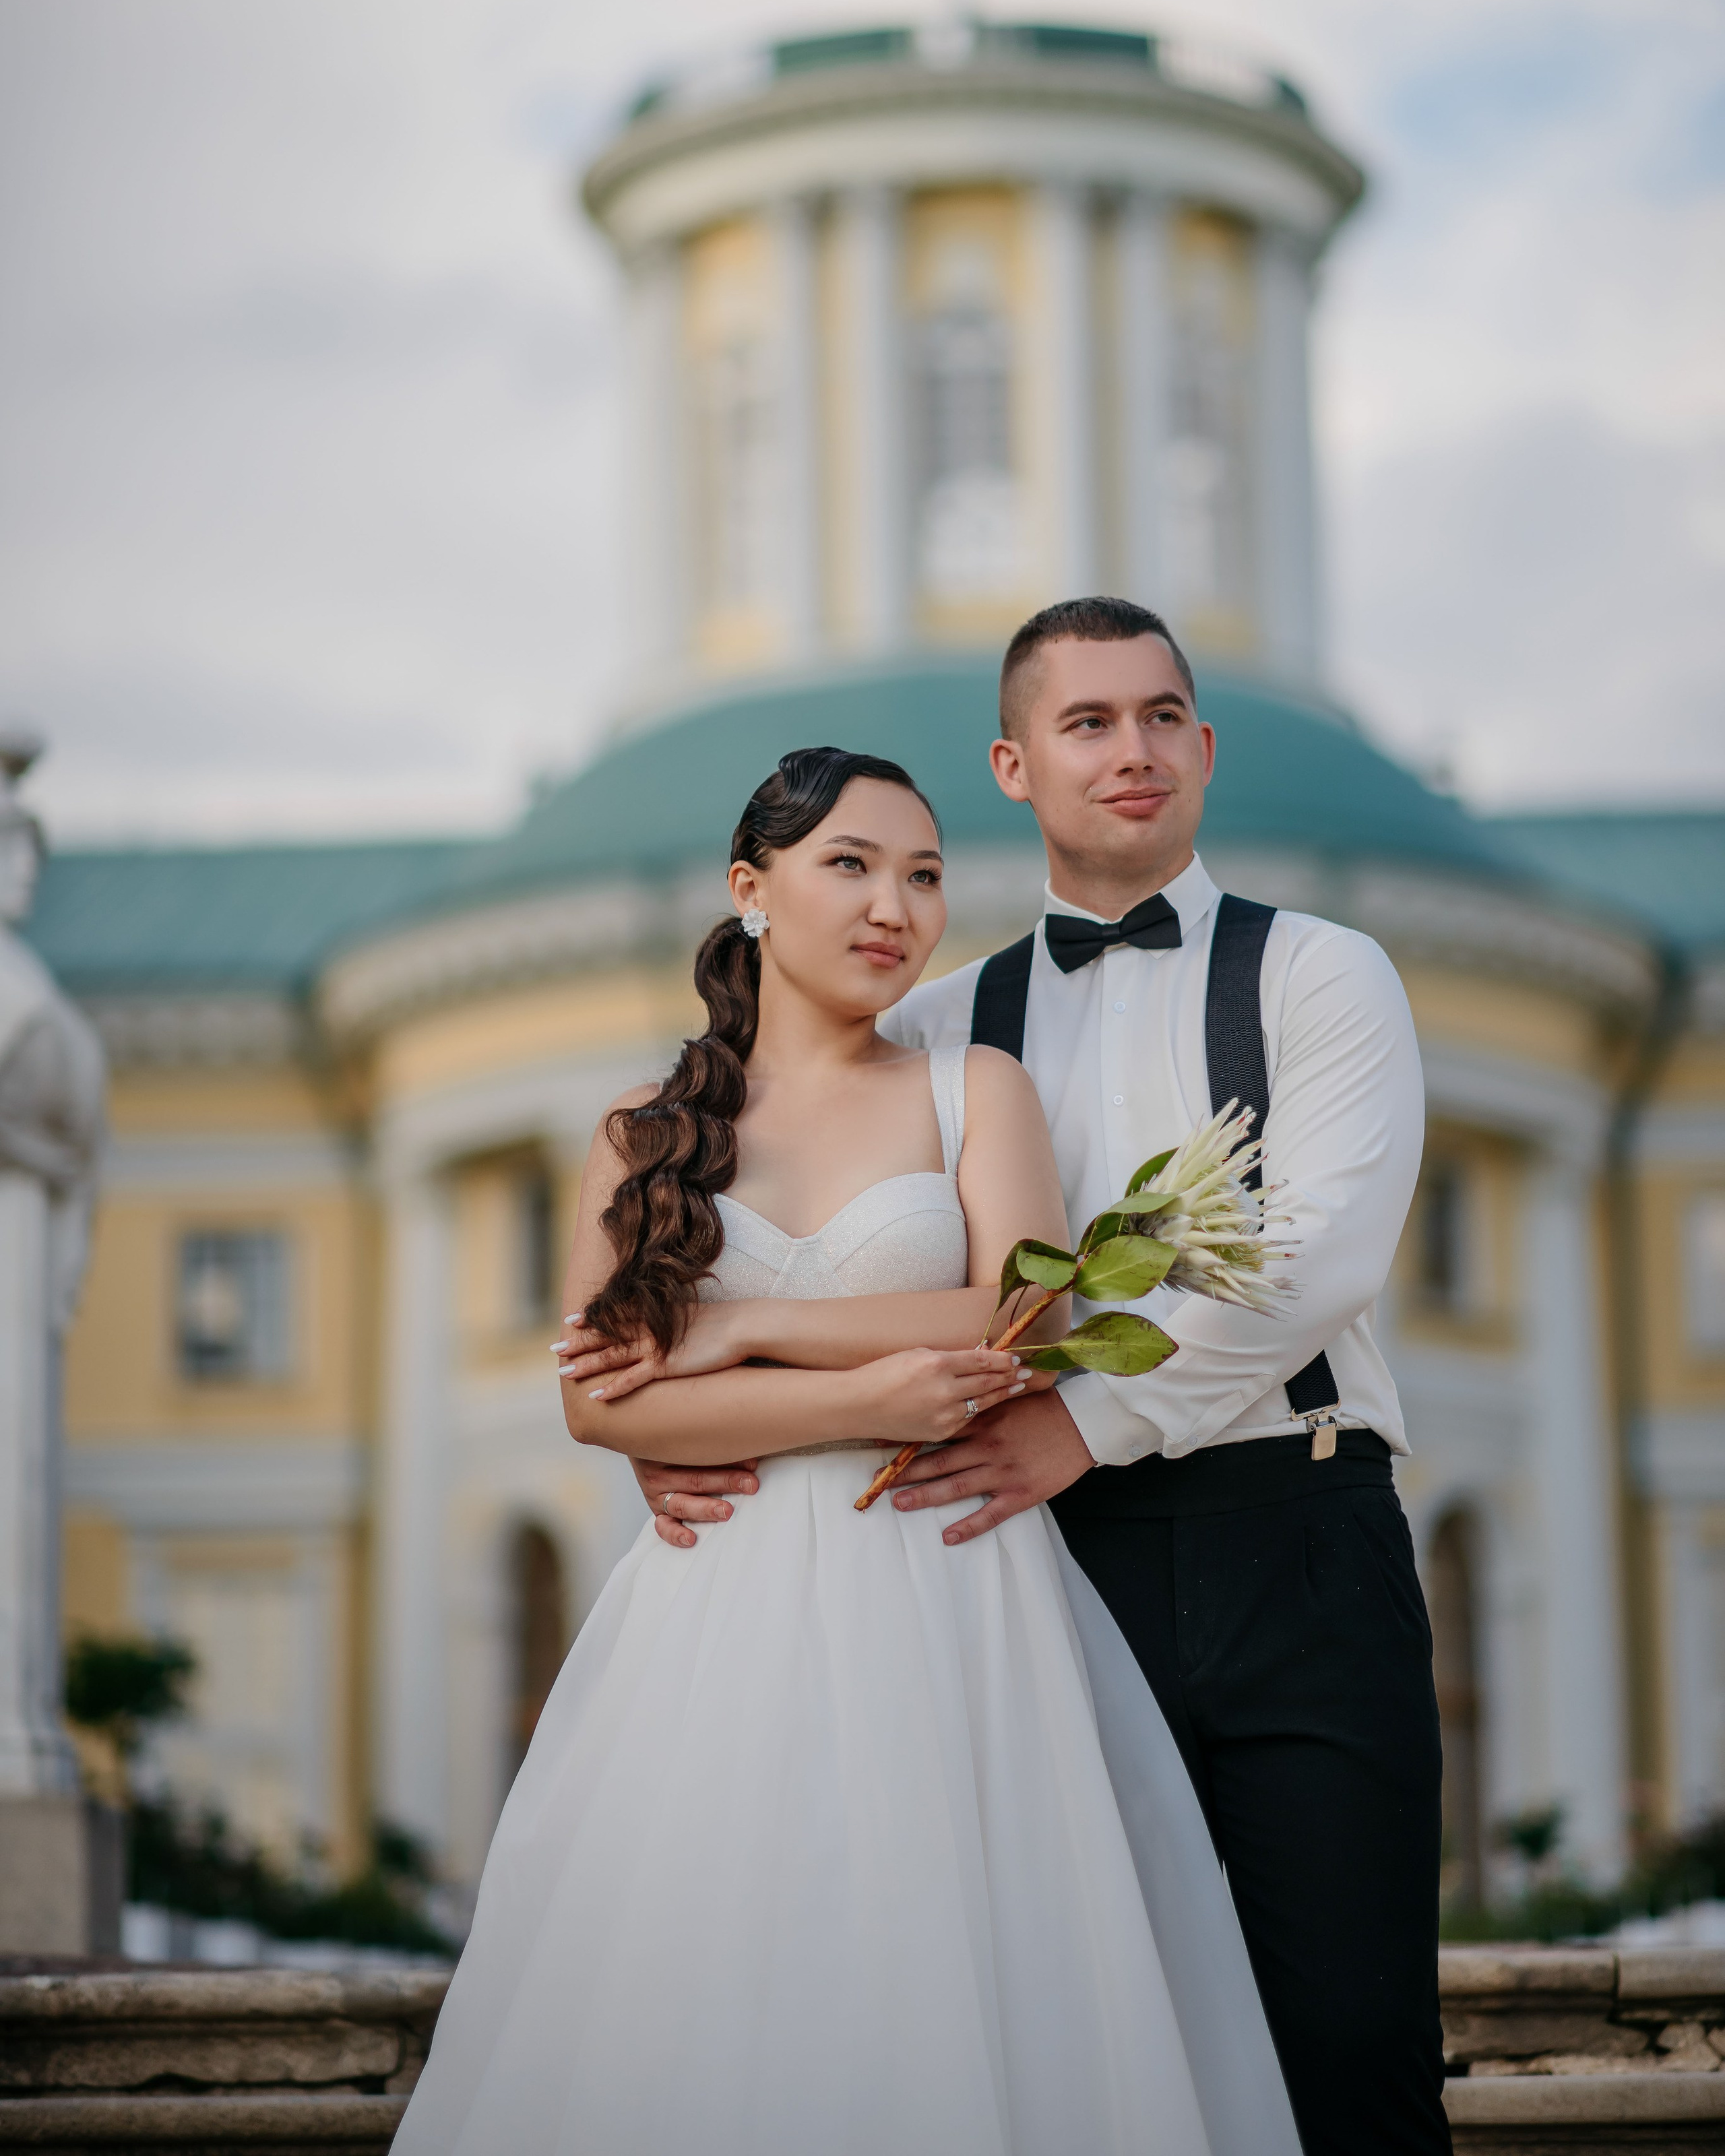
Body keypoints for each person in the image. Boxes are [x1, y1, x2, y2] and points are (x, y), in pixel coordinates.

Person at [621, 602, 1451, 2156]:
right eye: (1084, 722)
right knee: (1089, 2043)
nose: (1127, 750)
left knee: (1351, 2039)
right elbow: (794, 1261)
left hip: (1300, 1539)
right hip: (1034, 1570)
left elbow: (1315, 1259)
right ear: (1012, 763)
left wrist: (1079, 1421)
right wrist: (684, 1438)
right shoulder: (936, 1030)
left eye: (1157, 717)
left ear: (1202, 749)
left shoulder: (1323, 978)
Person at [396, 744, 1300, 2156]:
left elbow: (1020, 1310)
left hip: (950, 1589)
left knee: (969, 1973)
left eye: (925, 874)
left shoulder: (971, 1089)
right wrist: (862, 1386)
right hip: (718, 1607)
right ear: (751, 890)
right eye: (851, 865)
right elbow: (603, 1403)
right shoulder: (640, 1139)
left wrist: (736, 1334)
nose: (895, 905)